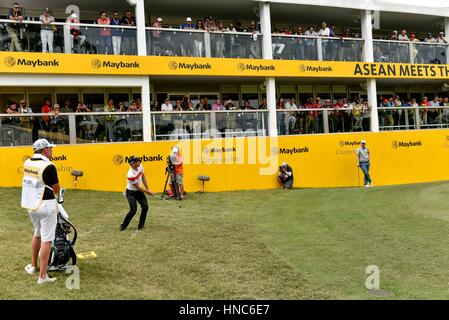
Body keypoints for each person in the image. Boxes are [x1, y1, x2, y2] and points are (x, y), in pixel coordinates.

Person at [21, 139, 60, 284]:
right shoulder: (49, 166)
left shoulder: (27, 163)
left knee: (37, 234)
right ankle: (43, 277)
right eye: (50, 148)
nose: (52, 150)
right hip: (46, 205)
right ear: (44, 150)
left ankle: (33, 266)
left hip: (32, 205)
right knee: (47, 240)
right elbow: (56, 189)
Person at [120, 156, 155, 231]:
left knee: (145, 206)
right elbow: (138, 187)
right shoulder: (130, 175)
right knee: (133, 210)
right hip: (130, 193)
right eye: (137, 161)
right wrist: (149, 193)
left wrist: (148, 188)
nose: (139, 161)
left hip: (138, 192)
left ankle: (141, 225)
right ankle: (123, 226)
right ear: (132, 164)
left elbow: (143, 177)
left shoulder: (140, 166)